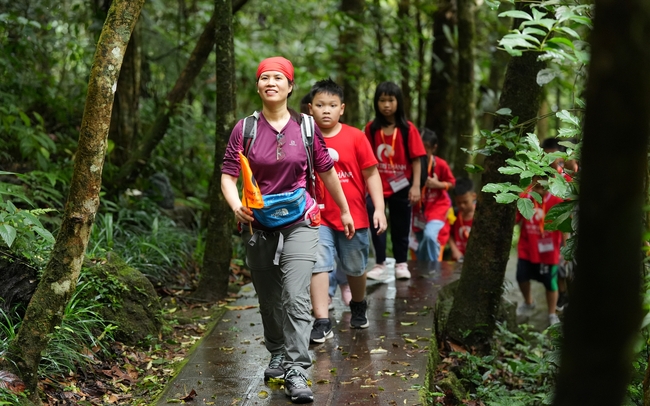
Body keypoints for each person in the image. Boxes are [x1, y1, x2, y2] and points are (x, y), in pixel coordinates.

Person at [220, 57, 354, 404]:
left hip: (301, 221)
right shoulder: (244, 129)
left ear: (290, 86)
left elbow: (325, 171)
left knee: (295, 296)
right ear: (258, 86)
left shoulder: (306, 127)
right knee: (268, 300)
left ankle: (296, 369)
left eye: (278, 77)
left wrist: (344, 209)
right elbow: (228, 175)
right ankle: (277, 351)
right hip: (259, 223)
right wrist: (236, 205)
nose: (271, 82)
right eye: (264, 77)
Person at [307, 78, 387, 343]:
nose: (326, 110)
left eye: (332, 105)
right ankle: (321, 320)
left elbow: (372, 174)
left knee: (355, 266)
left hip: (354, 215)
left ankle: (359, 303)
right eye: (320, 105)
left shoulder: (356, 136)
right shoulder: (305, 138)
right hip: (317, 216)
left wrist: (379, 209)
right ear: (310, 108)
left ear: (342, 108)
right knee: (319, 264)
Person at [364, 81, 426, 281]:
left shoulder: (408, 129)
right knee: (376, 225)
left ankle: (401, 263)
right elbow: (364, 159)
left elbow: (417, 159)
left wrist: (416, 186)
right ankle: (380, 263)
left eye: (391, 100)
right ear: (376, 103)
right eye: (382, 100)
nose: (386, 105)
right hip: (376, 187)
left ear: (399, 102)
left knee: (401, 225)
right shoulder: (371, 129)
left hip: (402, 186)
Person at [515, 176, 564, 326]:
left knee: (550, 283)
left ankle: (551, 313)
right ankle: (529, 302)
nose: (539, 190)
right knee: (521, 276)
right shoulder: (524, 197)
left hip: (549, 251)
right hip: (527, 247)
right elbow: (516, 219)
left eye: (543, 186)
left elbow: (564, 225)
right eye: (536, 186)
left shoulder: (557, 200)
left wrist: (566, 247)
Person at [411, 128, 455, 263]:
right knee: (418, 244)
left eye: (427, 148)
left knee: (430, 236)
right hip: (417, 211)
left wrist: (439, 184)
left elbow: (452, 183)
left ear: (434, 148)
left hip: (437, 208)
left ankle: (432, 271)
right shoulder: (412, 163)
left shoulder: (440, 164)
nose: (423, 152)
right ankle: (426, 273)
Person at [449, 178, 476, 262]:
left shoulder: (481, 215)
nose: (462, 206)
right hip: (457, 259)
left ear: (473, 196)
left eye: (465, 202)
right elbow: (448, 234)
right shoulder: (454, 214)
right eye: (458, 203)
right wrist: (454, 250)